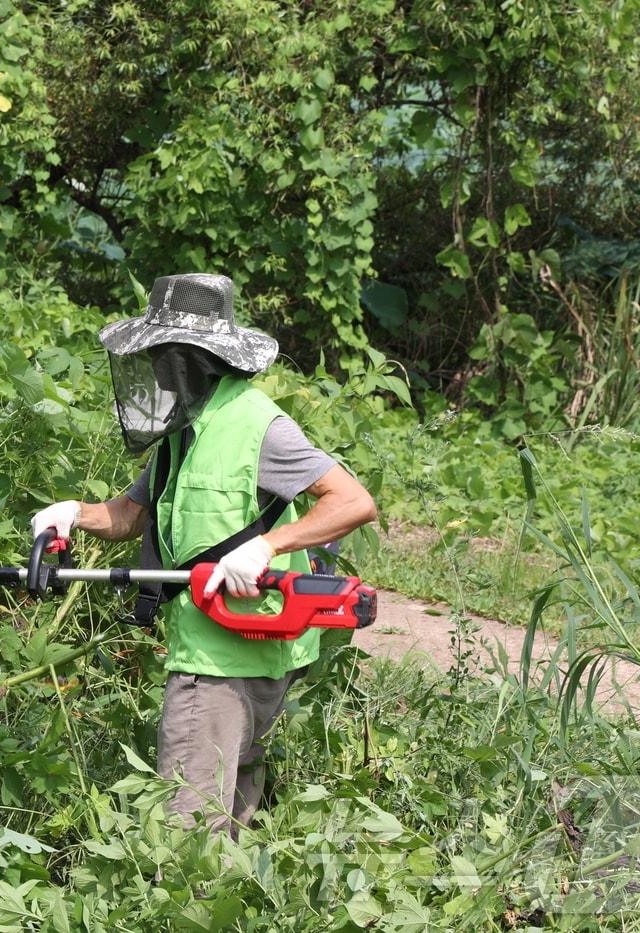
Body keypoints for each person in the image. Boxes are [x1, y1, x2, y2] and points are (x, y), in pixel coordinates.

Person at [30, 273, 376, 837]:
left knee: (186, 830)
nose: (157, 369)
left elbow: (353, 502)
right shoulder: (183, 430)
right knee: (229, 822)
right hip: (228, 644)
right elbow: (130, 515)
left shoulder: (257, 426)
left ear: (192, 359)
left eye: (164, 355)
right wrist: (73, 512)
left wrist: (265, 546)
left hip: (223, 662)